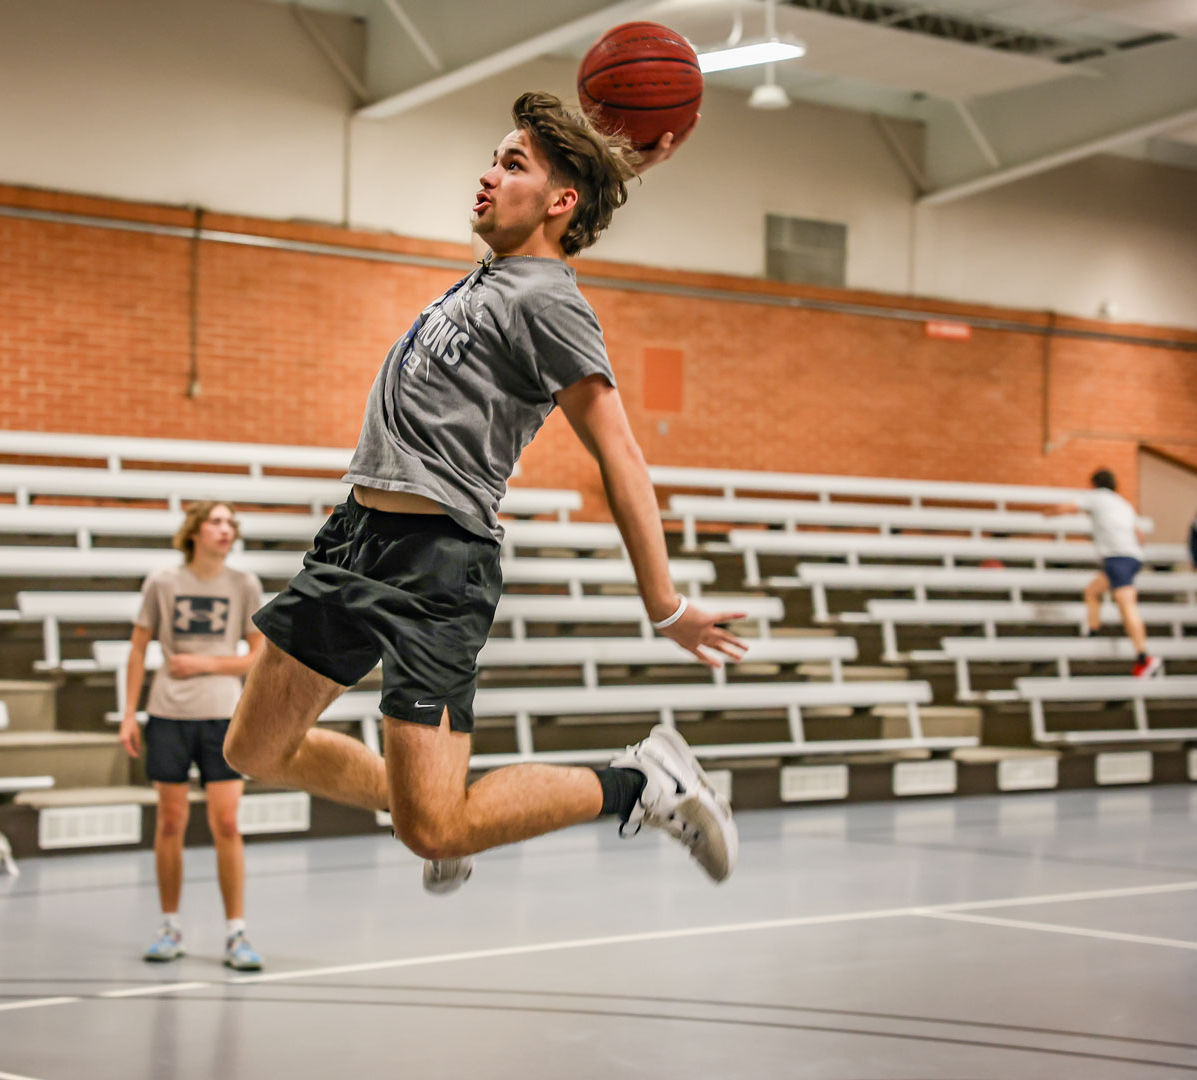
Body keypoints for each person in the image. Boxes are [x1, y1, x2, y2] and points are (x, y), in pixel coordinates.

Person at [221, 91, 747, 898]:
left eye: (511, 164)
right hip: (353, 537)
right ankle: (447, 814)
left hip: (435, 566)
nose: (487, 175)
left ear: (556, 200)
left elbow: (622, 453)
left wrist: (666, 603)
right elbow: (569, 195)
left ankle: (646, 784)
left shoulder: (550, 301)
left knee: (434, 828)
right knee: (254, 750)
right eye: (493, 158)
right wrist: (624, 162)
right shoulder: (497, 276)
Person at [119, 502, 265, 970]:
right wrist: (128, 713)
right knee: (169, 821)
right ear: (195, 531)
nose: (226, 531)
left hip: (223, 716)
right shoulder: (162, 582)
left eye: (230, 524)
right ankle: (169, 925)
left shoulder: (244, 585)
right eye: (216, 522)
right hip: (168, 714)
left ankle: (236, 933)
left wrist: (205, 663)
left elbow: (258, 656)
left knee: (226, 823)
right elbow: (138, 650)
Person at [1046, 469, 1159, 678]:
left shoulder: (1097, 497)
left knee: (1126, 606)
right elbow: (1139, 535)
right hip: (1130, 558)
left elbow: (1068, 507)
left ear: (1094, 484)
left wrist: (1046, 514)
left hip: (1118, 558)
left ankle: (1144, 656)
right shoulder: (1123, 503)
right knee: (1092, 591)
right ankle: (1093, 629)